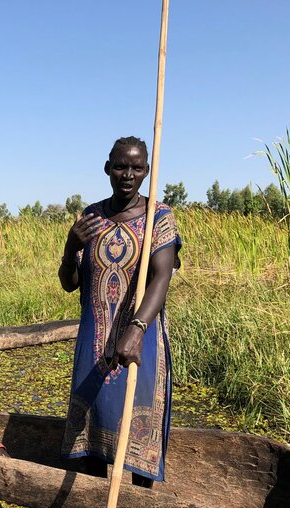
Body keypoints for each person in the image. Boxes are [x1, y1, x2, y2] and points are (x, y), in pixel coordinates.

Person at [58, 136, 181, 487]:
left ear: (147, 171)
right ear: (107, 168)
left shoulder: (159, 217)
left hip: (138, 339)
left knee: (137, 430)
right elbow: (70, 283)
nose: (128, 175)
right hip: (93, 342)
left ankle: (140, 501)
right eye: (120, 166)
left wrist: (137, 328)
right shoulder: (91, 217)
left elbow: (161, 278)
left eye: (137, 168)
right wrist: (71, 247)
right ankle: (95, 495)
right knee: (93, 430)